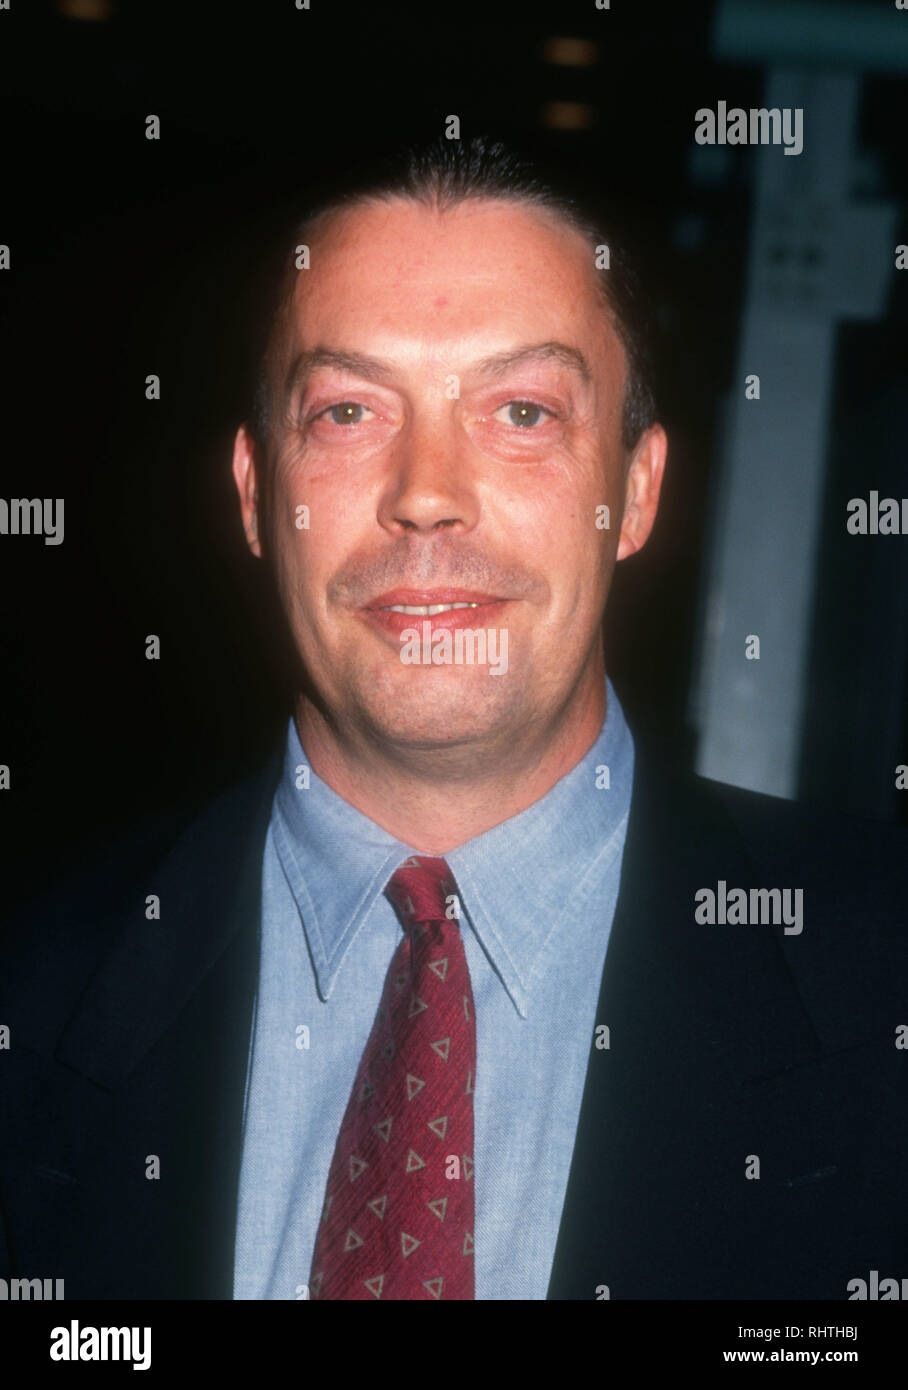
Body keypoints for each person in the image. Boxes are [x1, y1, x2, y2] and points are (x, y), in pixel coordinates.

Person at [2, 136, 905, 1301]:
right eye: (345, 413)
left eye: (520, 409)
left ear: (632, 491)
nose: (426, 491)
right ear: (254, 496)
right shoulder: (35, 997)